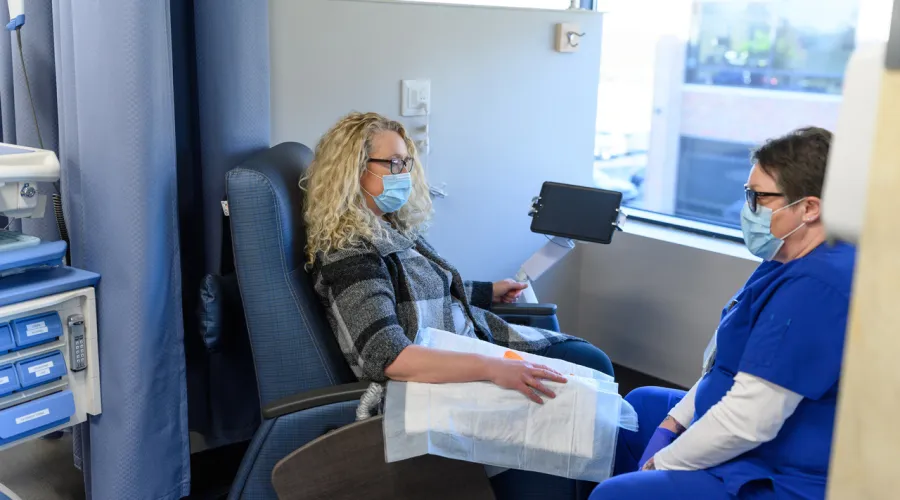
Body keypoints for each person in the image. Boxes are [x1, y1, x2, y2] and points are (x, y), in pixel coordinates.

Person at [304, 111, 613, 500]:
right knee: (576, 382)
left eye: (407, 163)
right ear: (352, 170)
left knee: (588, 365)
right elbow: (388, 355)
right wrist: (492, 368)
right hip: (433, 376)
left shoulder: (385, 226)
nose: (404, 173)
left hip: (463, 342)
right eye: (393, 163)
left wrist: (486, 291)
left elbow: (417, 291)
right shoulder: (351, 255)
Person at [590, 127, 853, 500]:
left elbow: (748, 422)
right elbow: (725, 365)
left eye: (758, 197)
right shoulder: (783, 258)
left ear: (809, 208)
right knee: (638, 409)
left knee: (614, 495)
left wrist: (661, 464)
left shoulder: (817, 286)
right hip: (750, 431)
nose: (749, 210)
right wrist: (673, 422)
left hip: (779, 469)